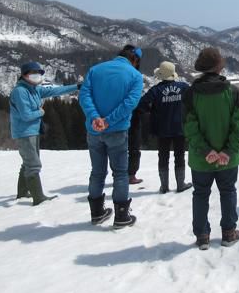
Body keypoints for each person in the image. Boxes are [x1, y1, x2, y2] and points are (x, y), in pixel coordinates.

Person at [183, 47, 239, 250]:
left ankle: (202, 236)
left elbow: (188, 126)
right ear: (219, 67)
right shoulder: (233, 92)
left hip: (202, 160)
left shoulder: (191, 93)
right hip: (228, 159)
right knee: (228, 191)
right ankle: (229, 233)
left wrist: (205, 151)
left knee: (200, 194)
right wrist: (228, 151)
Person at [79, 45, 143, 228]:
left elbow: (84, 96)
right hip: (117, 130)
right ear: (134, 60)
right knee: (121, 173)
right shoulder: (135, 76)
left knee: (97, 172)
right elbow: (129, 103)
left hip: (94, 130)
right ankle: (122, 216)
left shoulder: (95, 70)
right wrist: (109, 121)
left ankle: (97, 213)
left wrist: (95, 118)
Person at [9, 61, 80, 205]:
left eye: (39, 73)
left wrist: (77, 87)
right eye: (32, 73)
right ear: (24, 75)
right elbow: (26, 115)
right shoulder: (20, 91)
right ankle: (38, 197)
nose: (36, 76)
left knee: (28, 162)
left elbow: (54, 91)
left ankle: (22, 192)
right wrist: (40, 111)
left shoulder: (34, 89)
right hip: (24, 132)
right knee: (33, 164)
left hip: (32, 131)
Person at [137, 60, 192, 193]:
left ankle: (164, 186)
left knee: (163, 157)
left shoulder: (156, 90)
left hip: (162, 129)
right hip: (180, 127)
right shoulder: (184, 87)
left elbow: (142, 105)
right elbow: (193, 102)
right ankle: (180, 184)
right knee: (179, 156)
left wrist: (153, 110)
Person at [128, 54, 143, 185]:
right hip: (133, 118)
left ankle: (119, 175)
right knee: (133, 147)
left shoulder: (117, 76)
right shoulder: (135, 76)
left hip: (116, 119)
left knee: (119, 149)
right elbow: (136, 101)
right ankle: (131, 175)